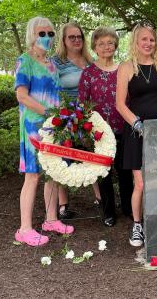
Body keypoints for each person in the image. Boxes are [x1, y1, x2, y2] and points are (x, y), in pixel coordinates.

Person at [14, 16, 74, 246]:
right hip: (32, 126)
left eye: (50, 34)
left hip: (53, 126)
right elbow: (21, 96)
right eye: (42, 34)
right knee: (33, 175)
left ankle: (51, 220)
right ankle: (24, 229)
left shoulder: (51, 65)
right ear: (32, 35)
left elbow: (57, 96)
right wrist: (48, 111)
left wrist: (60, 116)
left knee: (52, 172)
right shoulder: (24, 61)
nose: (47, 38)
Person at [116, 23, 157, 246]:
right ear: (136, 42)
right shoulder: (126, 67)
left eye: (152, 40)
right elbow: (120, 104)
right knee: (140, 184)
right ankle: (138, 225)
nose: (148, 43)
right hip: (137, 132)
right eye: (144, 40)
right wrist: (139, 126)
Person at [78, 26, 134, 227]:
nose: (106, 46)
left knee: (125, 170)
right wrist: (86, 130)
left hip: (125, 128)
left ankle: (128, 208)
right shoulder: (88, 73)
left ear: (116, 45)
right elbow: (82, 104)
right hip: (99, 133)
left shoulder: (125, 69)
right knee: (103, 173)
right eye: (101, 43)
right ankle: (108, 211)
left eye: (110, 42)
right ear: (94, 47)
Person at [52, 22, 98, 219]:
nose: (77, 40)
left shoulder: (90, 61)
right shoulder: (56, 62)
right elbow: (51, 90)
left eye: (79, 36)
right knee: (63, 157)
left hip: (89, 115)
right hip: (64, 116)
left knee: (93, 156)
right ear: (63, 40)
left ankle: (100, 198)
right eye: (72, 37)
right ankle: (63, 205)